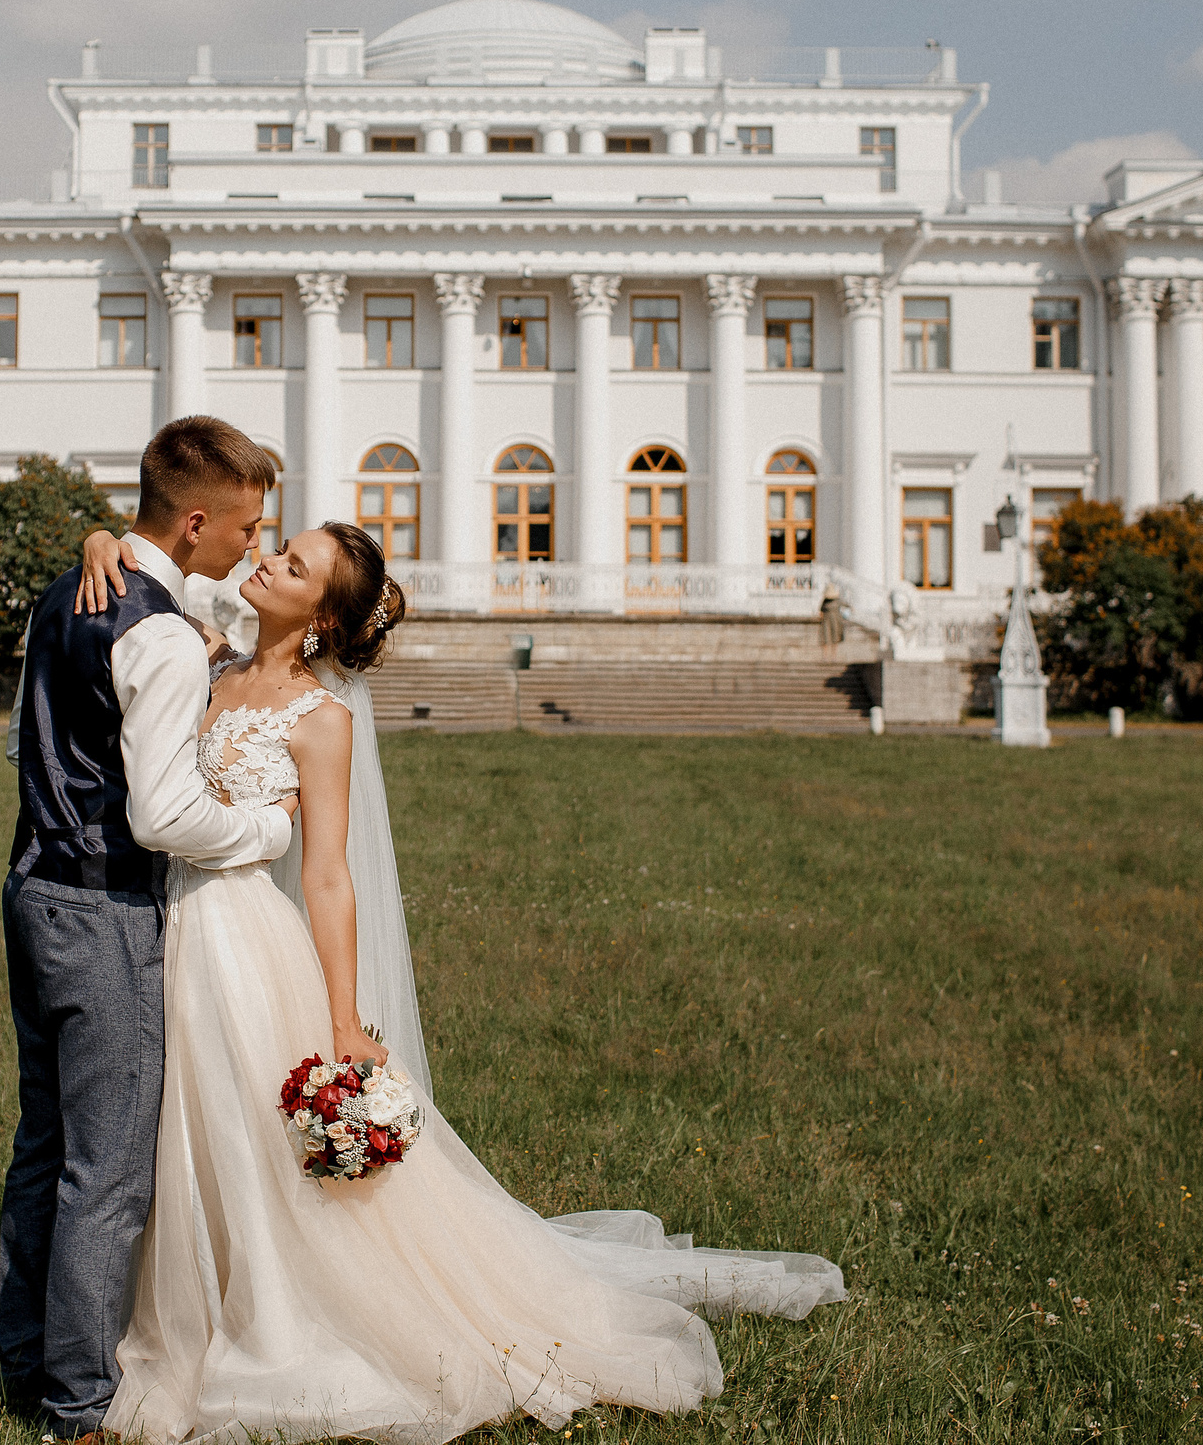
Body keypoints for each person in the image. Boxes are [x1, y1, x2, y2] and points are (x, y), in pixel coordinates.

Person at [70, 521, 847, 1445]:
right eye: (278, 546)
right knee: (179, 1128)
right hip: (161, 926)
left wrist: (343, 1019)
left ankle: (265, 1317)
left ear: (321, 618)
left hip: (242, 942)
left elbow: (329, 876)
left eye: (294, 564)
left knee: (242, 1135)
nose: (268, 558)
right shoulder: (208, 660)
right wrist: (102, 538)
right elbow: (146, 573)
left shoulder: (321, 719)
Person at [0, 416, 298, 1441]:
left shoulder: (65, 596)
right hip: (104, 908)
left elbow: (22, 744)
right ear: (197, 522)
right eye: (246, 528)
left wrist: (101, 541)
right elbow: (163, 814)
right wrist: (263, 830)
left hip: (30, 887)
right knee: (109, 1168)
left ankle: (22, 1355)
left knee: (43, 1142)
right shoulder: (160, 636)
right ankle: (77, 1404)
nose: (253, 547)